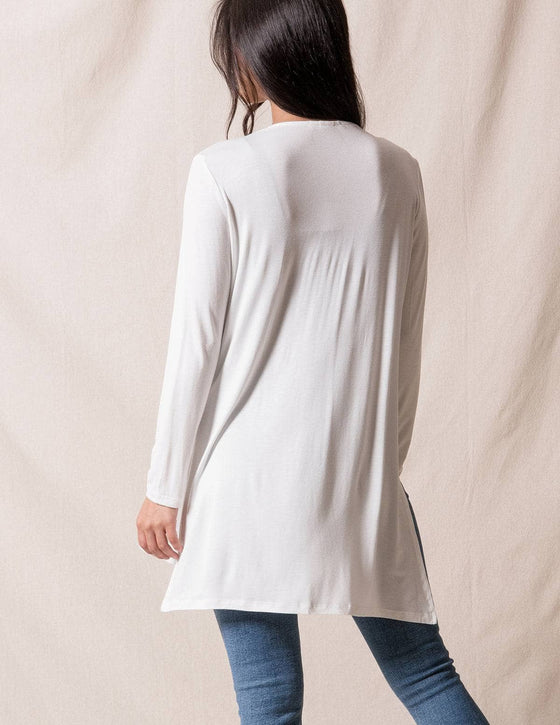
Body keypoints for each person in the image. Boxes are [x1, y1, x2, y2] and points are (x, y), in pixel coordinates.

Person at [136, 1, 491, 722]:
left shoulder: (222, 170)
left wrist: (164, 485)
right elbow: (406, 342)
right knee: (428, 678)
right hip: (359, 474)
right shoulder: (398, 171)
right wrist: (378, 468)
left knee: (270, 703)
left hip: (244, 482)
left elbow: (197, 339)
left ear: (257, 53)